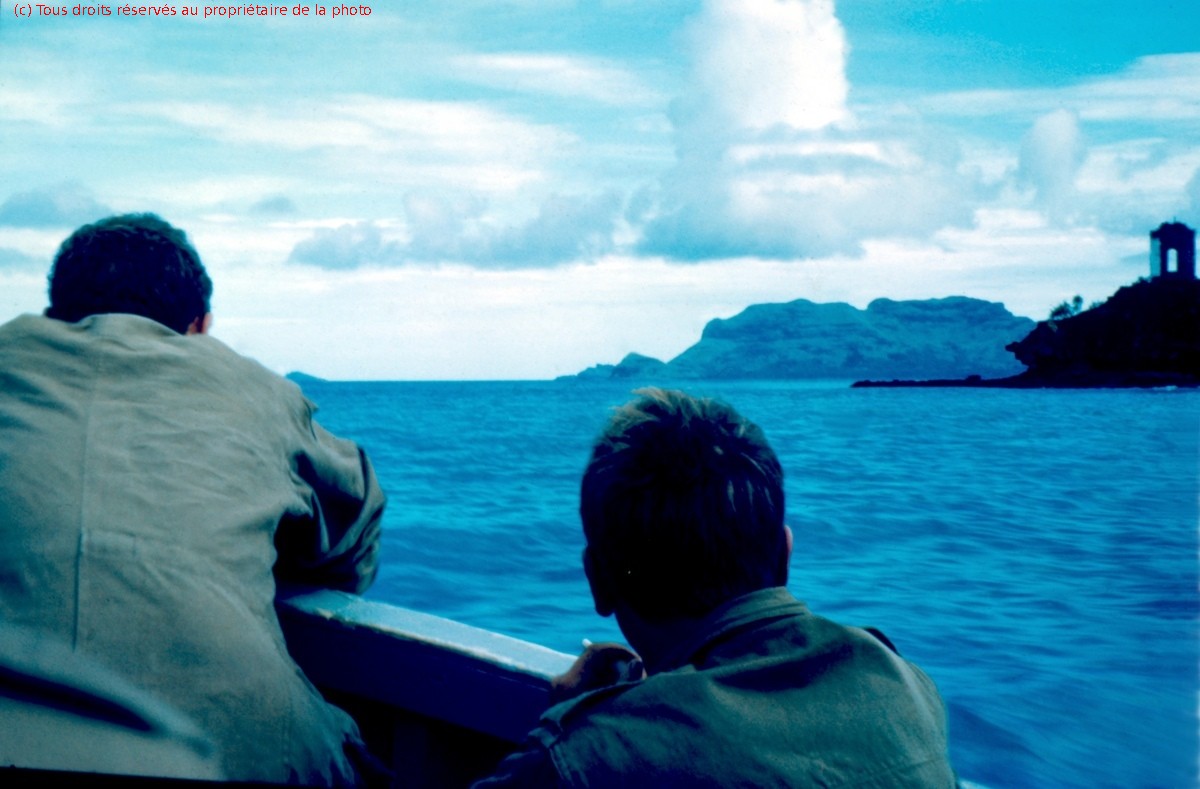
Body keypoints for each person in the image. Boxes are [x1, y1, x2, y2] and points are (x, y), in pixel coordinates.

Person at [0, 214, 386, 785]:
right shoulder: (257, 390)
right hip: (241, 758)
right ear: (200, 327)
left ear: (55, 317)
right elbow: (355, 529)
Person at [476, 388, 957, 788]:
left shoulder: (586, 757)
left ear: (598, 580)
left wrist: (572, 717)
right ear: (784, 555)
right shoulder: (906, 685)